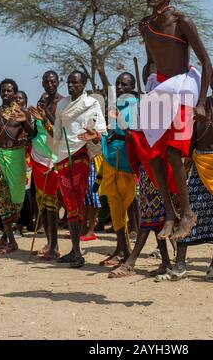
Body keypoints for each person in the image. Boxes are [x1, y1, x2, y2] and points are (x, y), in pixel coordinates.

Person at [127, 0, 212, 241]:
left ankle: (187, 213)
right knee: (151, 154)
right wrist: (148, 80)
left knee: (175, 153)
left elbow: (206, 62)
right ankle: (170, 214)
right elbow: (152, 60)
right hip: (159, 88)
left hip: (184, 88)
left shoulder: (181, 21)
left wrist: (200, 102)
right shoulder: (146, 25)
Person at [160, 65, 213, 282]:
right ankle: (180, 265)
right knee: (191, 211)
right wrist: (186, 158)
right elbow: (188, 136)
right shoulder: (199, 104)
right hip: (200, 162)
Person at [30, 71, 107, 268]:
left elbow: (103, 133)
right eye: (70, 82)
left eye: (76, 82)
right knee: (70, 204)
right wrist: (44, 120)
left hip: (80, 156)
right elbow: (56, 134)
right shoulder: (62, 106)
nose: (71, 85)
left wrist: (95, 135)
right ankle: (74, 251)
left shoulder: (92, 104)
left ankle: (78, 252)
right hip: (62, 158)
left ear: (83, 84)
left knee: (77, 204)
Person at [108, 164, 178, 278]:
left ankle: (130, 263)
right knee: (155, 217)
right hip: (145, 170)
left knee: (150, 217)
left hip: (155, 169)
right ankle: (165, 262)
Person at [0, 79, 35, 254]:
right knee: (2, 197)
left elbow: (32, 133)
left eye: (9, 91)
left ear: (15, 93)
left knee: (17, 198)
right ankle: (12, 241)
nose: (6, 93)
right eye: (3, 90)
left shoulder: (22, 112)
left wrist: (25, 120)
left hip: (17, 158)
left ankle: (4, 236)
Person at [99, 73, 137, 269]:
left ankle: (124, 250)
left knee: (125, 203)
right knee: (114, 204)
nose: (120, 88)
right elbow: (110, 131)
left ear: (133, 86)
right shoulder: (112, 106)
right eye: (118, 84)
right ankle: (121, 248)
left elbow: (134, 134)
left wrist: (120, 120)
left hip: (128, 162)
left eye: (124, 84)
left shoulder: (137, 106)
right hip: (111, 158)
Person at [30, 71, 63, 260]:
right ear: (42, 83)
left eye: (52, 81)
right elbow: (36, 129)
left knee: (52, 204)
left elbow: (59, 129)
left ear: (58, 82)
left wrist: (46, 114)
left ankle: (55, 246)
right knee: (41, 202)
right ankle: (49, 242)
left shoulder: (62, 102)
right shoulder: (42, 100)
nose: (49, 84)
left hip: (54, 156)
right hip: (38, 155)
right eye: (46, 81)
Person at [15, 91, 34, 235]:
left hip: (26, 157)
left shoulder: (28, 115)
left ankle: (22, 224)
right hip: (11, 156)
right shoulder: (8, 114)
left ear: (25, 101)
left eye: (20, 98)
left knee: (24, 190)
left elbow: (33, 134)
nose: (17, 100)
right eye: (16, 98)